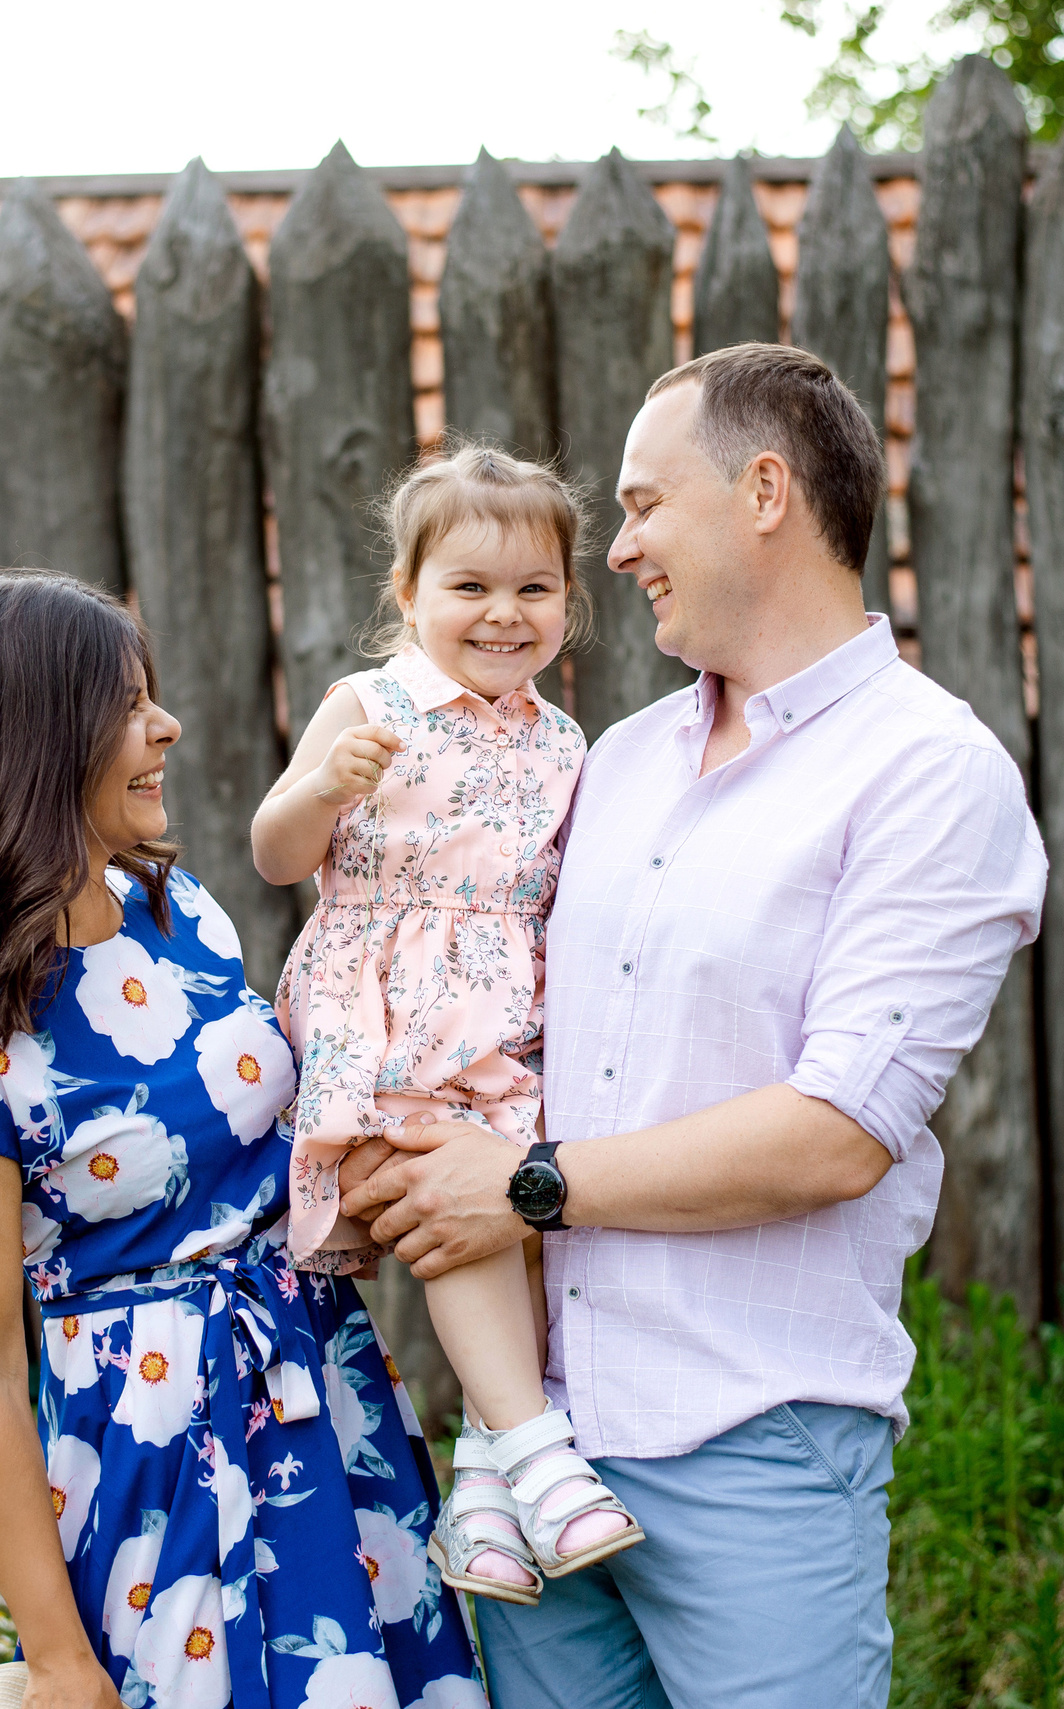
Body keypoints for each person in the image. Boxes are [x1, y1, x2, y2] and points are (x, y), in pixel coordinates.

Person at [341, 344, 1048, 1707]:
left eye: (644, 505)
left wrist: (524, 1187)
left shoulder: (930, 772)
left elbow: (838, 1133)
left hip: (755, 1441)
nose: (618, 551)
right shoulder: (611, 762)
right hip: (541, 1461)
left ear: (765, 492)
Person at [0, 572, 485, 1709]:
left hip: (322, 1385)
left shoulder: (178, 909)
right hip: (157, 1452)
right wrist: (58, 1661)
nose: (168, 726)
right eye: (127, 705)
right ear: (32, 740)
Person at [250, 445, 642, 1606]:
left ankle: (481, 1493)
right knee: (452, 1198)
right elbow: (275, 852)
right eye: (469, 585)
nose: (503, 612)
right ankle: (536, 1451)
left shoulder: (562, 739)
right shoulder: (369, 705)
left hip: (505, 1017)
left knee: (516, 1219)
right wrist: (327, 786)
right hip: (389, 1008)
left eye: (534, 587)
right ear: (408, 591)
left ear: (568, 600)